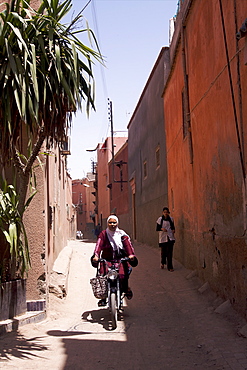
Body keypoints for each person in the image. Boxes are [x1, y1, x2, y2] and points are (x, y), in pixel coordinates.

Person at [91, 215, 138, 306]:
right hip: (107, 260)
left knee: (123, 275)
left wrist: (131, 255)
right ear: (107, 223)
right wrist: (96, 255)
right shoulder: (103, 234)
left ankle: (125, 288)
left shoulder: (122, 234)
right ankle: (103, 297)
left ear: (117, 223)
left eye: (114, 222)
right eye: (110, 222)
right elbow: (99, 245)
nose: (112, 224)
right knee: (103, 275)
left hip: (120, 260)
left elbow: (127, 245)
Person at [156, 207, 175, 271]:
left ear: (168, 213)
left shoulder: (171, 219)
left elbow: (172, 227)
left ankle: (170, 267)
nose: (166, 213)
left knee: (170, 252)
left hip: (170, 237)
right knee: (163, 252)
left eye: (167, 212)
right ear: (163, 213)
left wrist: (173, 230)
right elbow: (157, 228)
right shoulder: (160, 219)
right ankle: (163, 262)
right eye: (164, 212)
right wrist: (162, 229)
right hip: (163, 238)